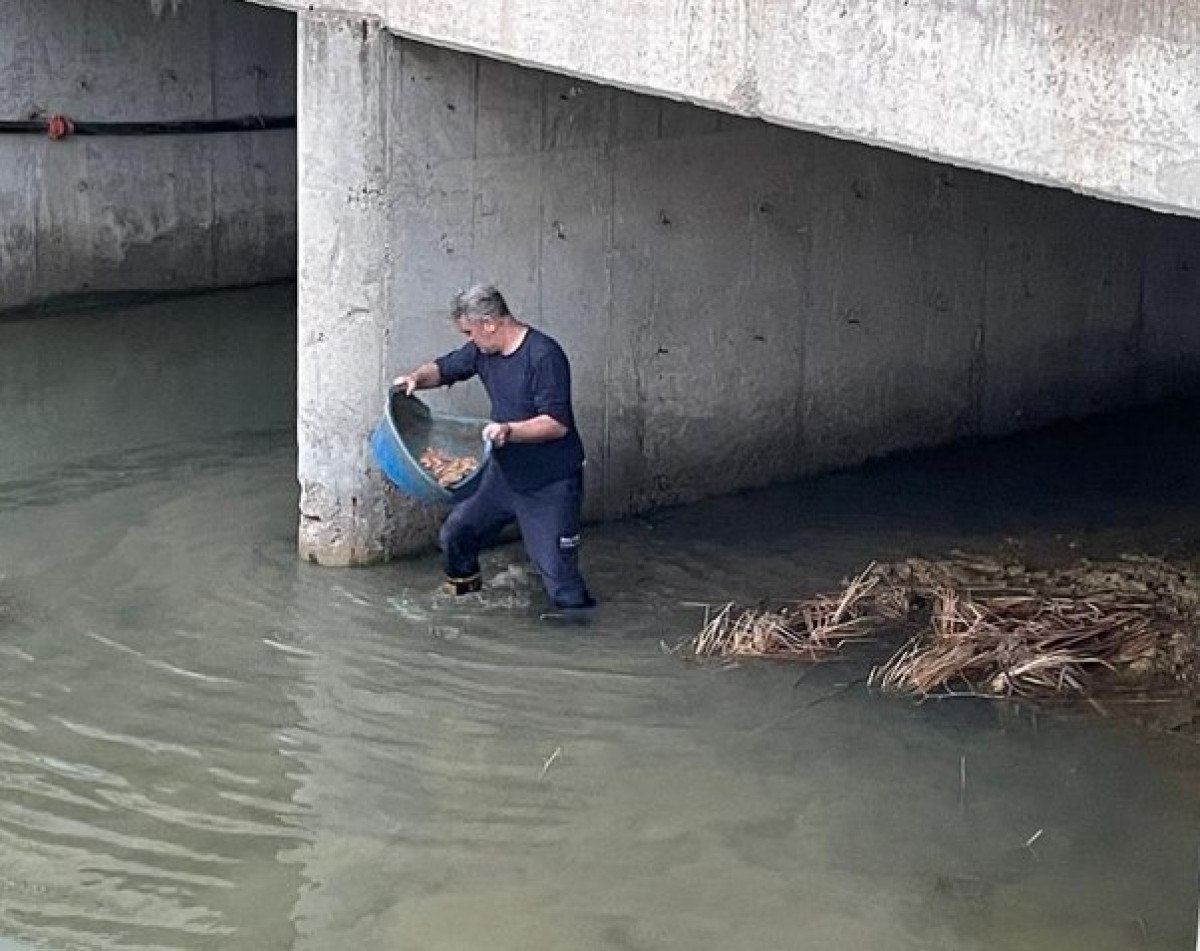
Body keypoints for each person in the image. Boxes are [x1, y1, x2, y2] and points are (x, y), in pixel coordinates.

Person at [393, 284, 596, 612]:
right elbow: (444, 369)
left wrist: (509, 431)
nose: (469, 340)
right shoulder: (481, 351)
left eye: (470, 332)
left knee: (561, 583)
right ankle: (465, 598)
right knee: (456, 536)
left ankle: (580, 646)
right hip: (502, 475)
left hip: (550, 483)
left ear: (490, 323)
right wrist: (416, 378)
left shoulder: (544, 356)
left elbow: (556, 423)